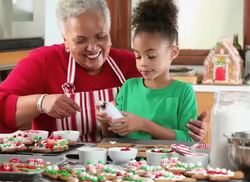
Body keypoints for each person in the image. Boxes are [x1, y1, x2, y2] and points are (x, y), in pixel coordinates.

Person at [0, 0, 206, 142]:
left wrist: (191, 132)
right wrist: (41, 102)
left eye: (101, 36)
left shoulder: (131, 63)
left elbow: (160, 118)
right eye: (80, 40)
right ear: (64, 38)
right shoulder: (44, 61)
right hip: (57, 170)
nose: (93, 48)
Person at [97, 0, 199, 141]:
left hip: (168, 162)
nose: (143, 63)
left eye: (151, 56)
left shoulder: (183, 92)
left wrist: (144, 125)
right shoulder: (128, 87)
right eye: (138, 56)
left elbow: (189, 139)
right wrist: (105, 122)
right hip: (129, 161)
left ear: (173, 53)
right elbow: (114, 138)